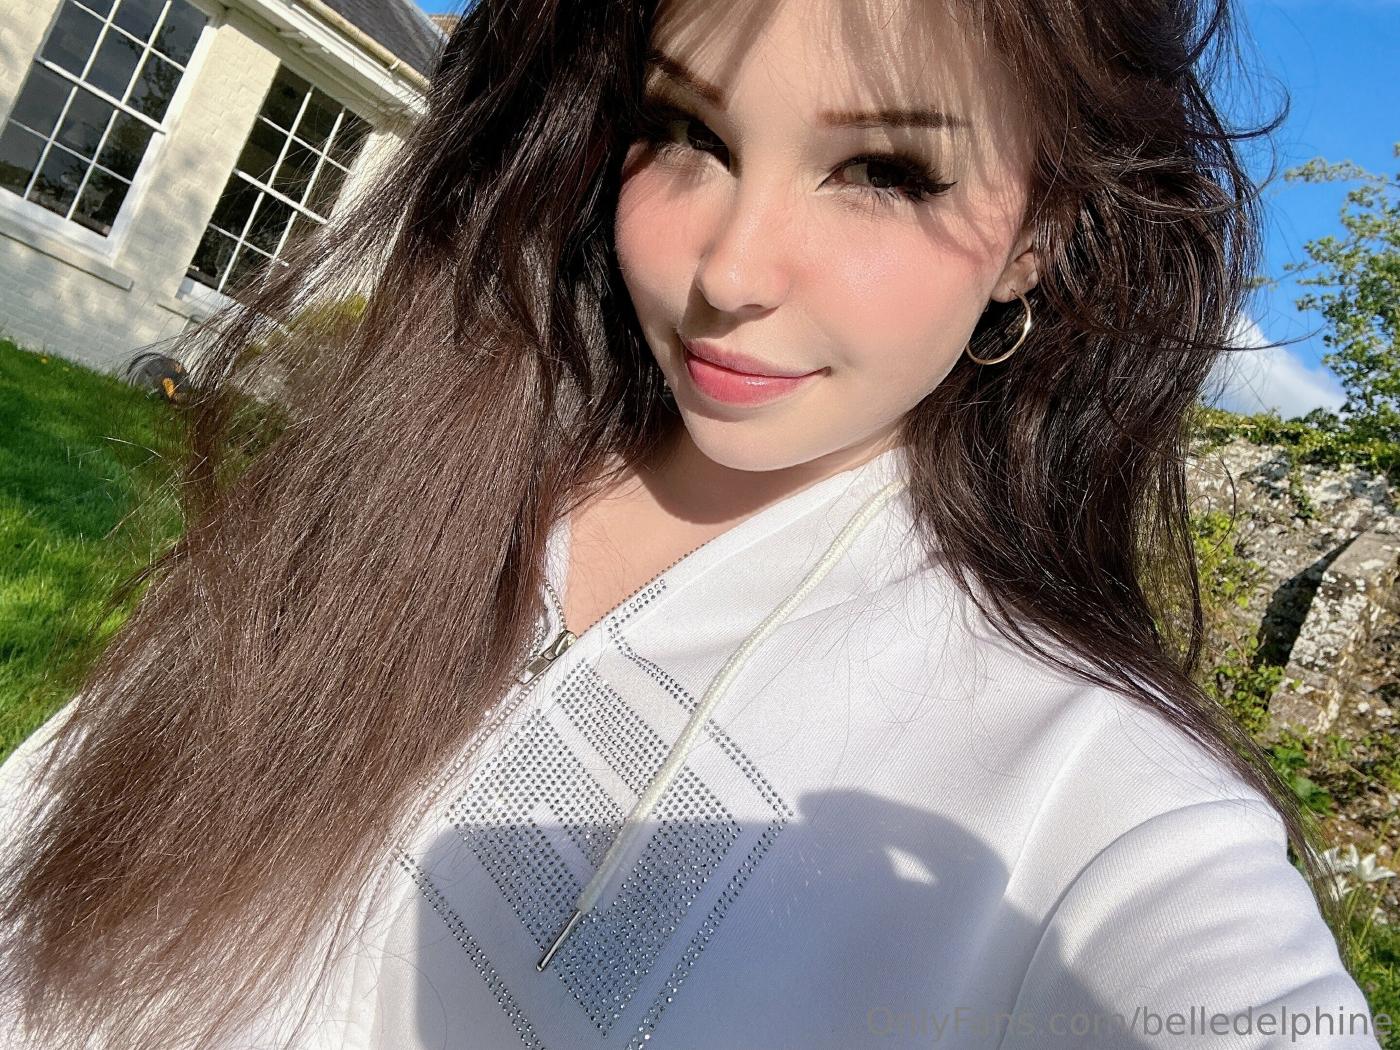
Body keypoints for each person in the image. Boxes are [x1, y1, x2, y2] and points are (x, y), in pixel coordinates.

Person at [0, 0, 1388, 1047]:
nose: (730, 268)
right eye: (689, 134)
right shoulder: (427, 463)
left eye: (887, 169)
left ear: (1039, 233)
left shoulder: (1088, 796)